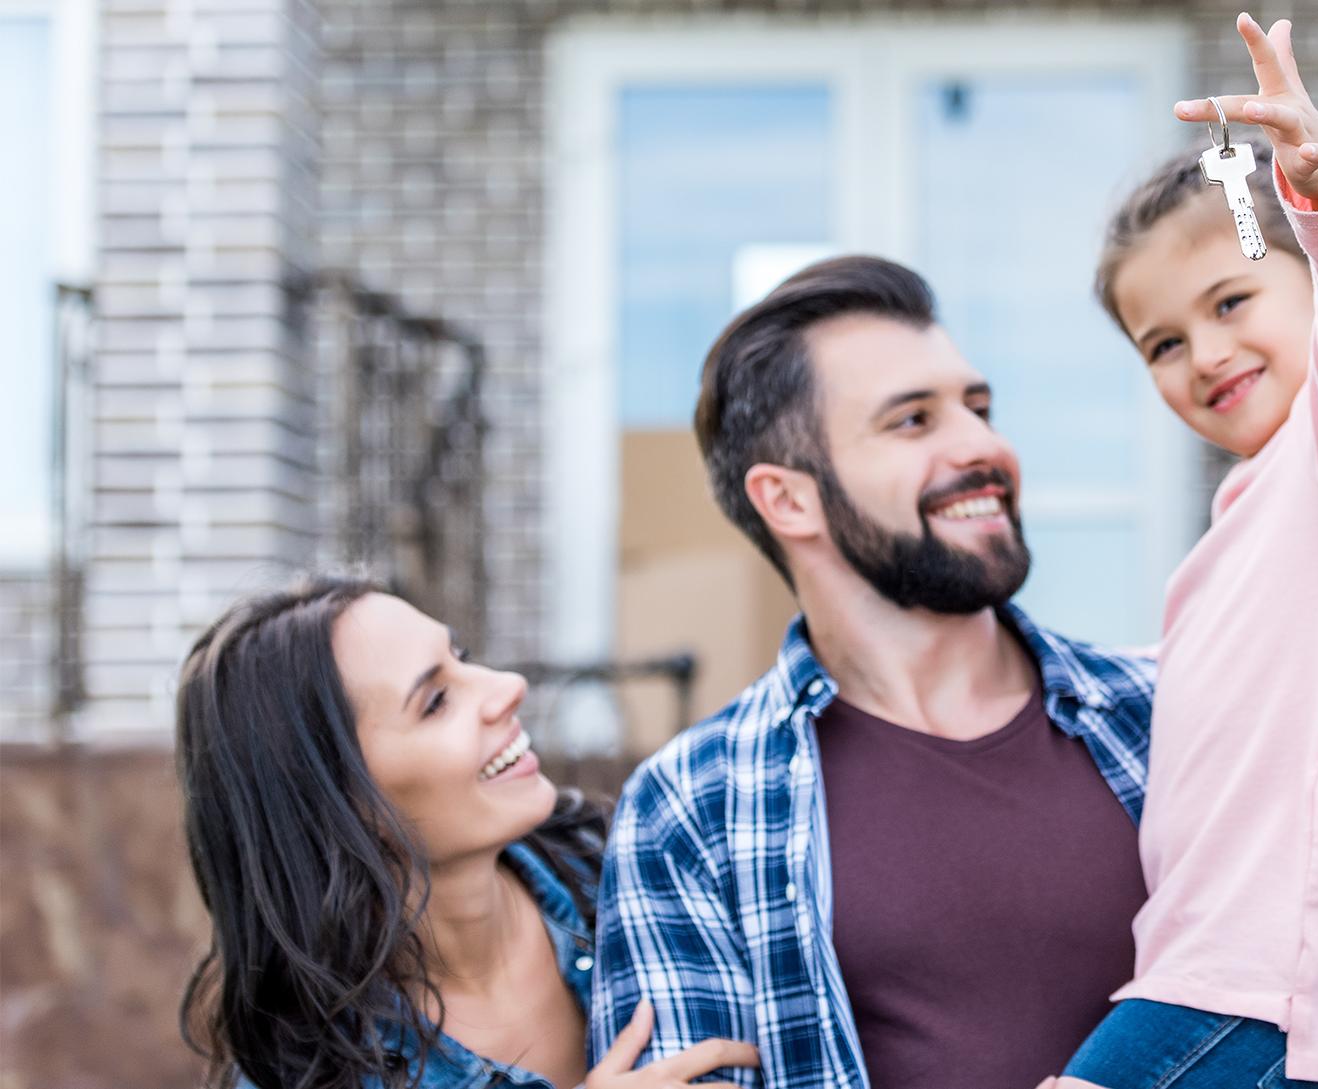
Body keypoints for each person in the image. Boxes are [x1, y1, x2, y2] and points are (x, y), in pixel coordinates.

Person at [588, 257, 1158, 1089]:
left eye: (979, 408)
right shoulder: (691, 806)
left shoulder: (1164, 715)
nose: (983, 446)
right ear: (789, 499)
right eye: (913, 421)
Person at [1057, 13, 1318, 1089]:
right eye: (1163, 343)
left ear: (1312, 287)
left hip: (1272, 989)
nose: (1206, 354)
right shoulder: (1238, 528)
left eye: (1231, 300)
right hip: (1238, 985)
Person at [175, 576, 759, 1089]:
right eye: (436, 702)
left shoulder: (644, 871)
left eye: (463, 656)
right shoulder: (297, 1073)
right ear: (335, 804)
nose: (508, 686)